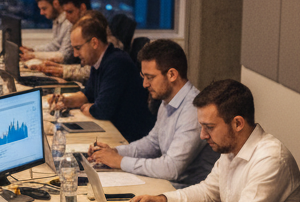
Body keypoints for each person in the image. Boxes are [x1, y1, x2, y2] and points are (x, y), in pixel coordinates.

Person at [129, 79, 300, 202]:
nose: (203, 135)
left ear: (238, 123)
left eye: (209, 127)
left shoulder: (270, 160)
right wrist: (164, 200)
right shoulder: (231, 148)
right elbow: (208, 192)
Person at [88, 39, 216, 188]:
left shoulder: (193, 109)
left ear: (172, 74)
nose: (145, 84)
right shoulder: (167, 100)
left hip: (187, 193)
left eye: (150, 78)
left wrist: (119, 161)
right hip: (167, 186)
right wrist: (113, 152)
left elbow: (171, 168)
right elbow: (152, 143)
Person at [47, 13, 155, 141]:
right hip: (115, 131)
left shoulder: (117, 62)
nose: (75, 54)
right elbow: (87, 95)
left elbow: (102, 111)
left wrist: (89, 108)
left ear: (94, 43)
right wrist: (65, 101)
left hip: (130, 138)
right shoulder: (98, 61)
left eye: (78, 48)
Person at [19, 0, 73, 64]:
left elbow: (64, 56)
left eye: (44, 8)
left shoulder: (69, 22)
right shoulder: (57, 19)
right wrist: (33, 50)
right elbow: (55, 45)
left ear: (56, 3)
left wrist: (34, 55)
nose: (41, 13)